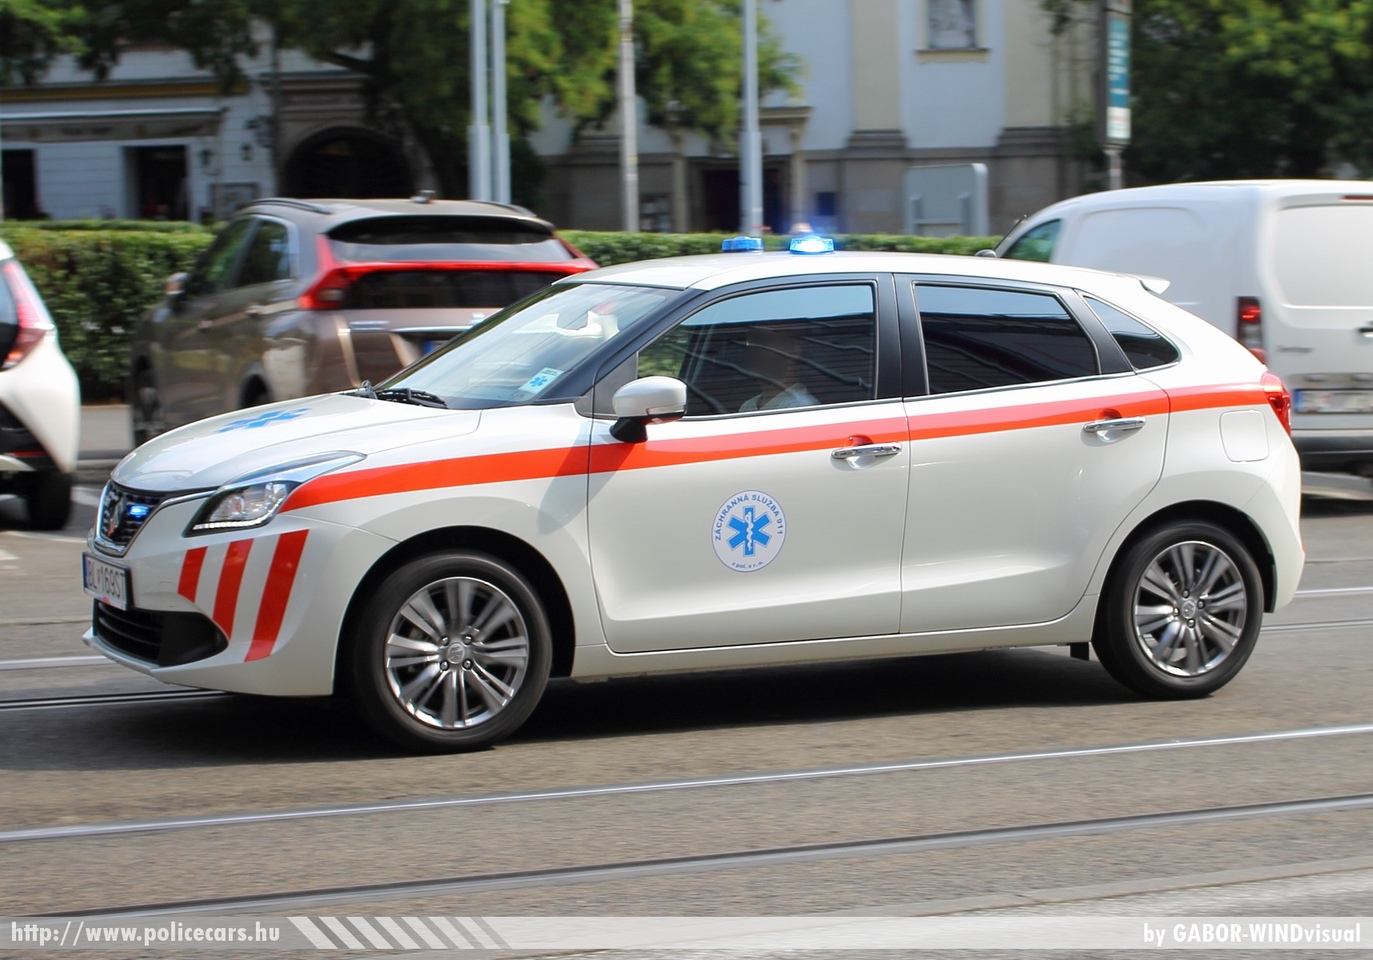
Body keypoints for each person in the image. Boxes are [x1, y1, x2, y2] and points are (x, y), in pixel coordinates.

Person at [738, 324, 819, 411]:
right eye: (750, 344)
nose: (753, 351)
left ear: (793, 352)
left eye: (763, 343)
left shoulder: (800, 407)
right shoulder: (747, 406)